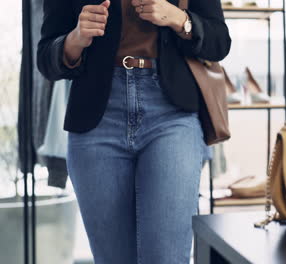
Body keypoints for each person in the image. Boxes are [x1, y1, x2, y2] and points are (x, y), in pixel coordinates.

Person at [37, 0, 231, 263]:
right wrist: (76, 39)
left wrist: (178, 18)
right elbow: (46, 58)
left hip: (171, 113)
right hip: (97, 118)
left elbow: (219, 42)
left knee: (166, 257)